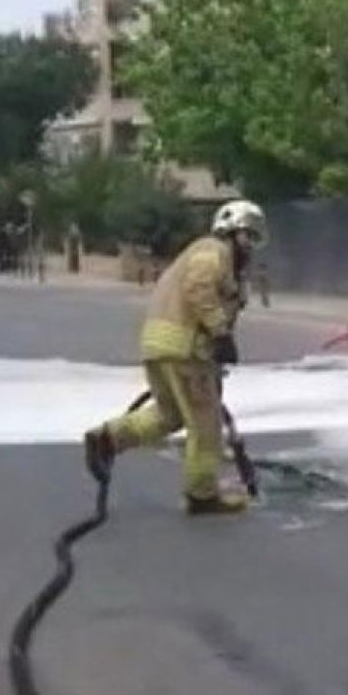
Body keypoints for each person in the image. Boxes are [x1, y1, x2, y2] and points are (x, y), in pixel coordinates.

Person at [83, 200, 267, 516]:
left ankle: (109, 439)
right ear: (231, 232)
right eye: (247, 236)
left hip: (161, 344)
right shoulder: (213, 251)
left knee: (170, 414)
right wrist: (220, 333)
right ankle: (202, 494)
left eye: (253, 239)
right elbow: (198, 289)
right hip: (185, 349)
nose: (250, 246)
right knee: (205, 424)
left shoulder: (214, 258)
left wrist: (217, 353)